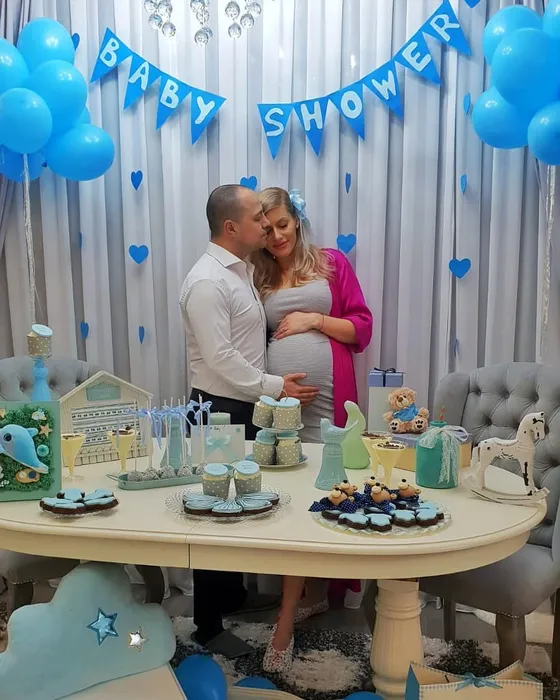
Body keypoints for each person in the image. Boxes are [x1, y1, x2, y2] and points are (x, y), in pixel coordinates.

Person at [179, 184, 319, 659]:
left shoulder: (240, 273)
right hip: (216, 411)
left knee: (242, 505)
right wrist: (276, 386)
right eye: (258, 217)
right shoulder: (207, 282)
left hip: (240, 407)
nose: (265, 224)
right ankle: (207, 626)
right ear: (230, 227)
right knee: (213, 514)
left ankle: (233, 596)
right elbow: (220, 358)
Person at [252, 186, 373, 672]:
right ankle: (301, 601)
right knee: (289, 502)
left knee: (327, 495)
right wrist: (273, 388)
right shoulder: (258, 274)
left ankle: (295, 611)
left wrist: (314, 319)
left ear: (297, 220)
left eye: (283, 224)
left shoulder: (331, 263)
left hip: (330, 403)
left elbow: (361, 329)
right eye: (267, 230)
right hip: (281, 409)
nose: (277, 236)